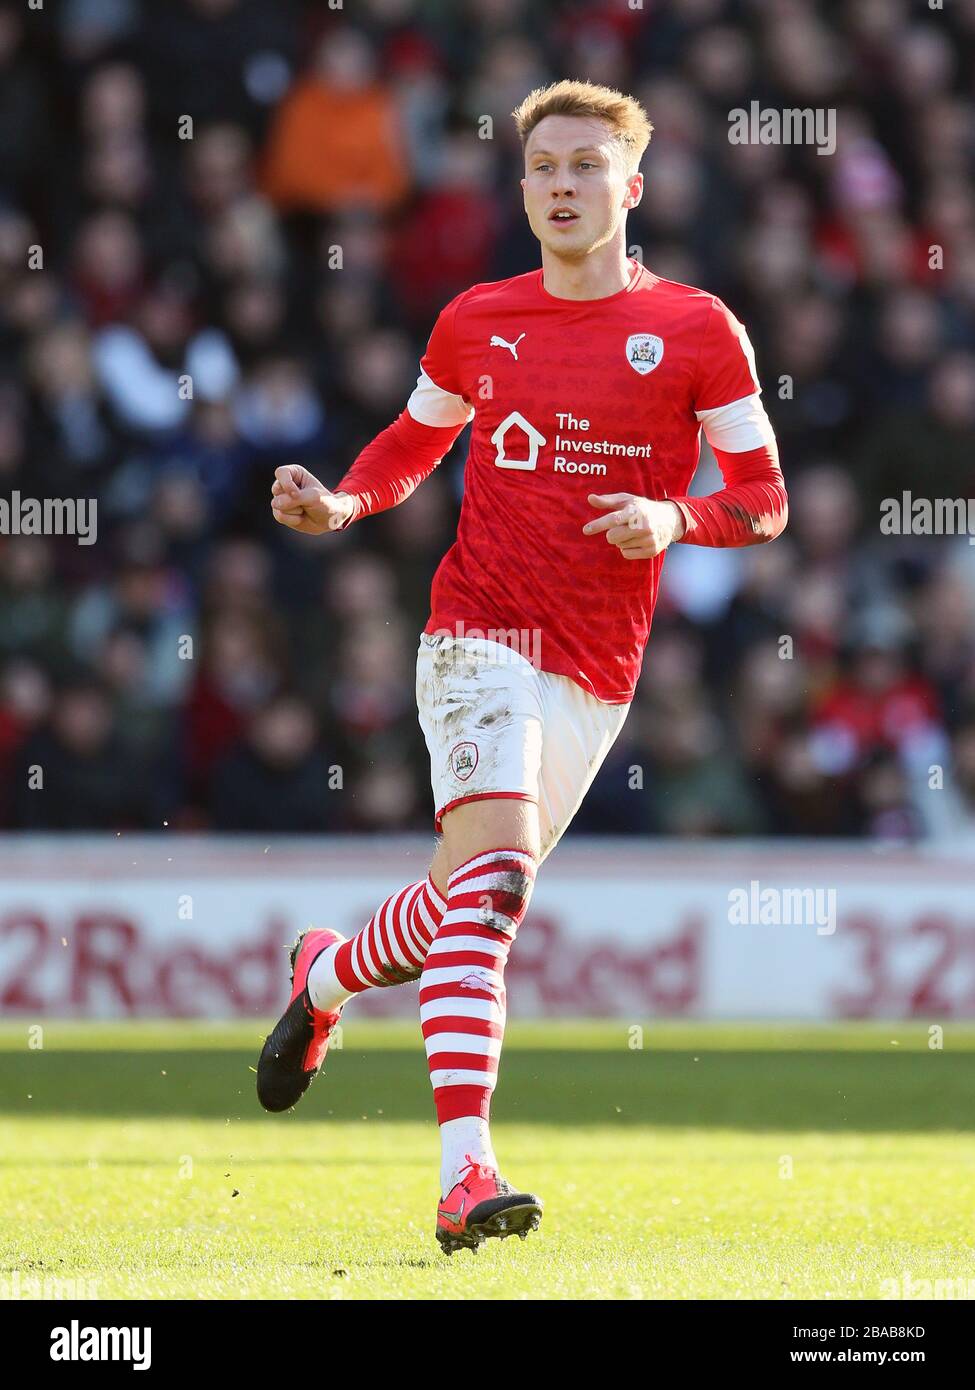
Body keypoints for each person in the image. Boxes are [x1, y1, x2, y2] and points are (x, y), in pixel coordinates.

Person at [256, 79, 788, 1255]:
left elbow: (763, 500)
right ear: (523, 186)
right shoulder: (475, 319)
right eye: (543, 165)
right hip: (477, 634)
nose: (561, 184)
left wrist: (672, 517)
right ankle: (464, 1173)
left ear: (631, 188)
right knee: (495, 888)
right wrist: (345, 500)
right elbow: (416, 440)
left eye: (586, 166)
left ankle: (331, 969)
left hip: (596, 670)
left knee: (465, 902)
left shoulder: (700, 331)